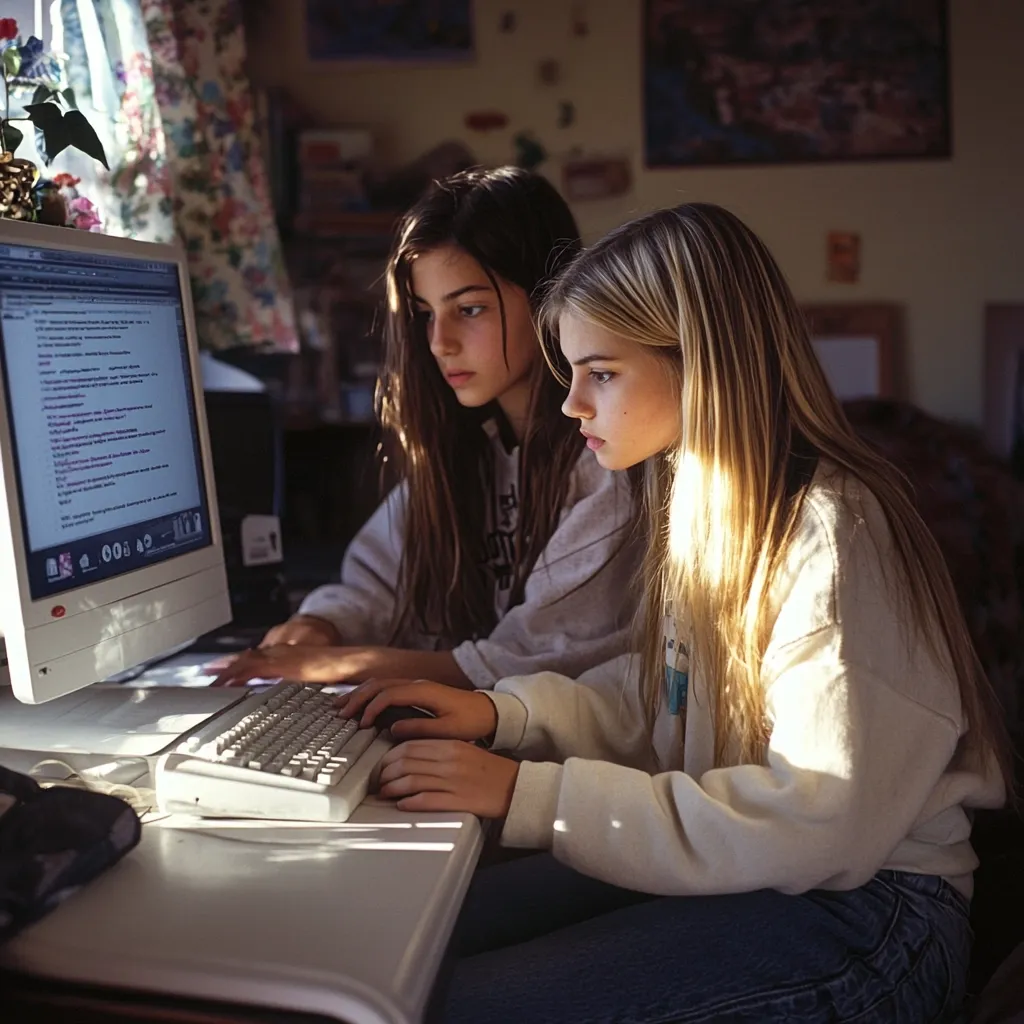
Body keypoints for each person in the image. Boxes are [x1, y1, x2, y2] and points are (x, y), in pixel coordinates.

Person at [337, 202, 1014, 1023]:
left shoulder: (831, 537)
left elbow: (817, 818)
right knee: (409, 944)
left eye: (602, 373)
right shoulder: (701, 503)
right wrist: (502, 714)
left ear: (703, 365)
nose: (570, 404)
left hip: (875, 911)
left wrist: (529, 793)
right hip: (774, 870)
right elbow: (664, 695)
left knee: (449, 1006)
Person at [217, 167, 637, 690]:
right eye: (425, 313)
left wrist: (351, 665)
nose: (440, 341)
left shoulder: (607, 458)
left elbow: (540, 657)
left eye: (470, 308)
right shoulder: (467, 449)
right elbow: (373, 582)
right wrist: (319, 626)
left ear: (549, 297)